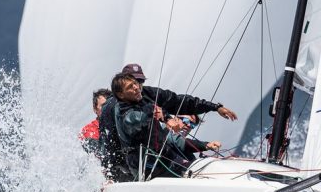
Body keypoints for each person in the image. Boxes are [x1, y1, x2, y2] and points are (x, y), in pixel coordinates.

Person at [98, 63, 236, 181]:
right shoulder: (113, 107)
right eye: (132, 83)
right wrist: (109, 175)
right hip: (130, 165)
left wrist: (214, 107)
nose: (137, 86)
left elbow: (179, 101)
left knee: (200, 169)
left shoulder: (145, 94)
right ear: (121, 90)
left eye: (140, 82)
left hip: (159, 157)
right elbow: (131, 121)